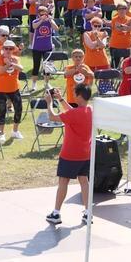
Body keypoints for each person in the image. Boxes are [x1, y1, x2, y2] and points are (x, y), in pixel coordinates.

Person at [45, 84, 93, 225]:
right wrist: (60, 99)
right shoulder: (90, 110)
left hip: (70, 154)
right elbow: (74, 113)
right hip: (85, 154)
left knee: (63, 181)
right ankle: (88, 212)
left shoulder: (74, 114)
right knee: (84, 181)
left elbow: (52, 117)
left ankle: (56, 213)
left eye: (74, 93)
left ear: (79, 96)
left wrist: (49, 103)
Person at [0, 40, 24, 141]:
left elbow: (21, 68)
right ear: (3, 49)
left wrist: (11, 63)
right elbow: (1, 70)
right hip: (1, 88)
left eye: (10, 48)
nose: (8, 50)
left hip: (14, 88)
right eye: (6, 48)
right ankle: (1, 133)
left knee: (18, 109)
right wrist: (7, 65)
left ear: (13, 50)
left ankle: (15, 131)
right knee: (2, 110)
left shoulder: (16, 58)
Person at [30, 6, 57, 91]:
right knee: (36, 66)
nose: (44, 15)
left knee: (47, 67)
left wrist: (50, 20)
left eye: (45, 13)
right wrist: (41, 20)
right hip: (37, 47)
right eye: (41, 14)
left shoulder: (50, 21)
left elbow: (56, 28)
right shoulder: (35, 21)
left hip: (47, 47)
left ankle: (47, 83)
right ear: (38, 14)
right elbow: (34, 26)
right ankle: (34, 84)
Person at [108, 2, 131, 69]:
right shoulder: (114, 19)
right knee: (114, 64)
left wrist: (122, 26)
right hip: (115, 45)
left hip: (127, 45)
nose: (122, 10)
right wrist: (126, 26)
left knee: (127, 63)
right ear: (117, 10)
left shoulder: (130, 19)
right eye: (120, 9)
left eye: (124, 8)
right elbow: (118, 29)